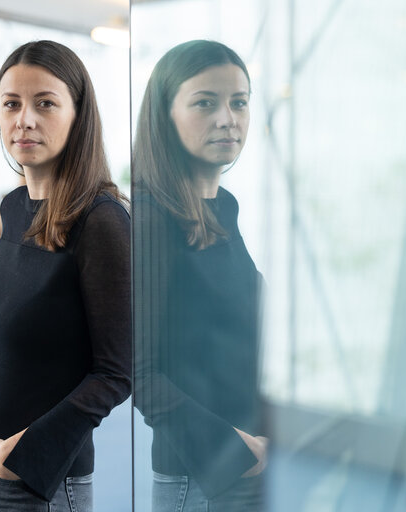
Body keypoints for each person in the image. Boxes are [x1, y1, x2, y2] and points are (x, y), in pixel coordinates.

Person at [0, 40, 131, 512]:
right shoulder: (13, 207)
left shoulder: (101, 220)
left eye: (45, 103)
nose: (24, 119)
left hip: (26, 483)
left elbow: (118, 371)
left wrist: (21, 454)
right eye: (11, 103)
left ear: (78, 114)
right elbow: (9, 323)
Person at [133, 40, 268, 511]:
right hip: (202, 477)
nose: (227, 118)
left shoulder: (221, 209)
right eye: (205, 103)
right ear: (164, 115)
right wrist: (233, 450)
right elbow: (139, 372)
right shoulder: (151, 222)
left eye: (239, 102)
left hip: (246, 468)